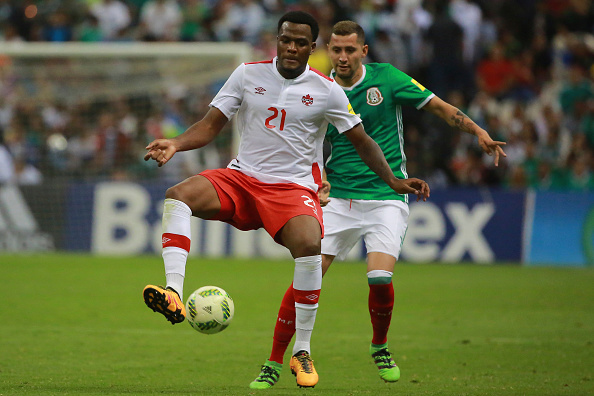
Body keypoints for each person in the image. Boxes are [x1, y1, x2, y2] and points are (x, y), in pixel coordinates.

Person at [142, 12, 430, 389]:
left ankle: (302, 351)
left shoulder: (327, 90)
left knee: (310, 245)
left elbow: (362, 141)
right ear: (276, 40)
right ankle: (174, 294)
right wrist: (176, 143)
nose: (291, 48)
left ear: (312, 48)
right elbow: (212, 125)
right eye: (285, 40)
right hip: (242, 178)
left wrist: (392, 180)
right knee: (178, 196)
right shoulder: (247, 74)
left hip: (292, 190)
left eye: (299, 43)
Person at [249, 20, 506, 389]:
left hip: (386, 197)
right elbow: (304, 141)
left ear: (363, 51)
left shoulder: (387, 79)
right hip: (336, 197)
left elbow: (439, 108)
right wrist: (312, 180)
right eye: (335, 50)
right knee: (307, 276)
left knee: (380, 278)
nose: (341, 57)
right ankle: (273, 362)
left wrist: (478, 131)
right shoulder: (320, 87)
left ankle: (380, 345)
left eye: (349, 50)